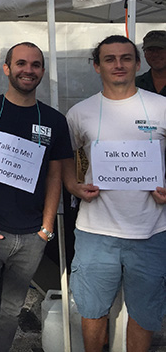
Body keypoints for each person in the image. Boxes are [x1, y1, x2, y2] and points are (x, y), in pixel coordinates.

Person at [0, 42, 72, 352]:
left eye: (35, 65)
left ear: (43, 72)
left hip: (31, 238)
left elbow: (55, 175)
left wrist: (46, 227)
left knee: (9, 316)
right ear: (6, 68)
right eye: (21, 63)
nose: (28, 70)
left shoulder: (54, 120)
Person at [64, 35, 166, 352]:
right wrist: (73, 184)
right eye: (109, 59)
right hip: (96, 230)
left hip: (151, 230)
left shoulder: (161, 107)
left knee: (145, 314)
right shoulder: (80, 113)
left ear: (138, 64)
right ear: (97, 66)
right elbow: (68, 157)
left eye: (125, 58)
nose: (118, 64)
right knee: (93, 312)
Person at [135, 29, 166, 96]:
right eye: (150, 50)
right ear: (145, 54)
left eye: (160, 49)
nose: (155, 54)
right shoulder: (135, 84)